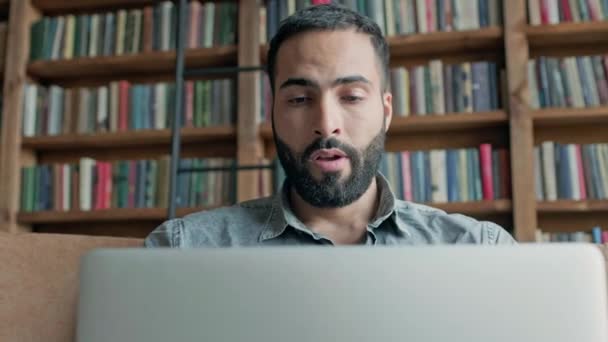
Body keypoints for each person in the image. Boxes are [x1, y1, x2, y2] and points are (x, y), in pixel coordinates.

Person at [144, 4, 516, 247]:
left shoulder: (478, 249)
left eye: (351, 97)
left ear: (387, 111)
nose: (326, 125)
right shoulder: (183, 249)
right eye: (300, 99)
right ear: (272, 111)